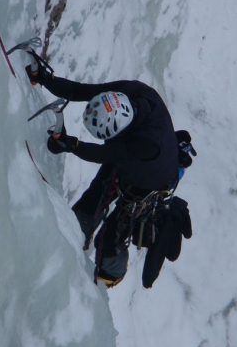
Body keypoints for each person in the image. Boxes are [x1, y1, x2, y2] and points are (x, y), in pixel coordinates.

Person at [30, 62, 186, 287]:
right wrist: (45, 78)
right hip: (135, 165)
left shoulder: (145, 144)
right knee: (91, 203)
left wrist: (71, 145)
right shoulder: (130, 92)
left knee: (111, 237)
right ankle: (72, 234)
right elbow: (82, 91)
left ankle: (106, 279)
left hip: (146, 185)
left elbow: (104, 154)